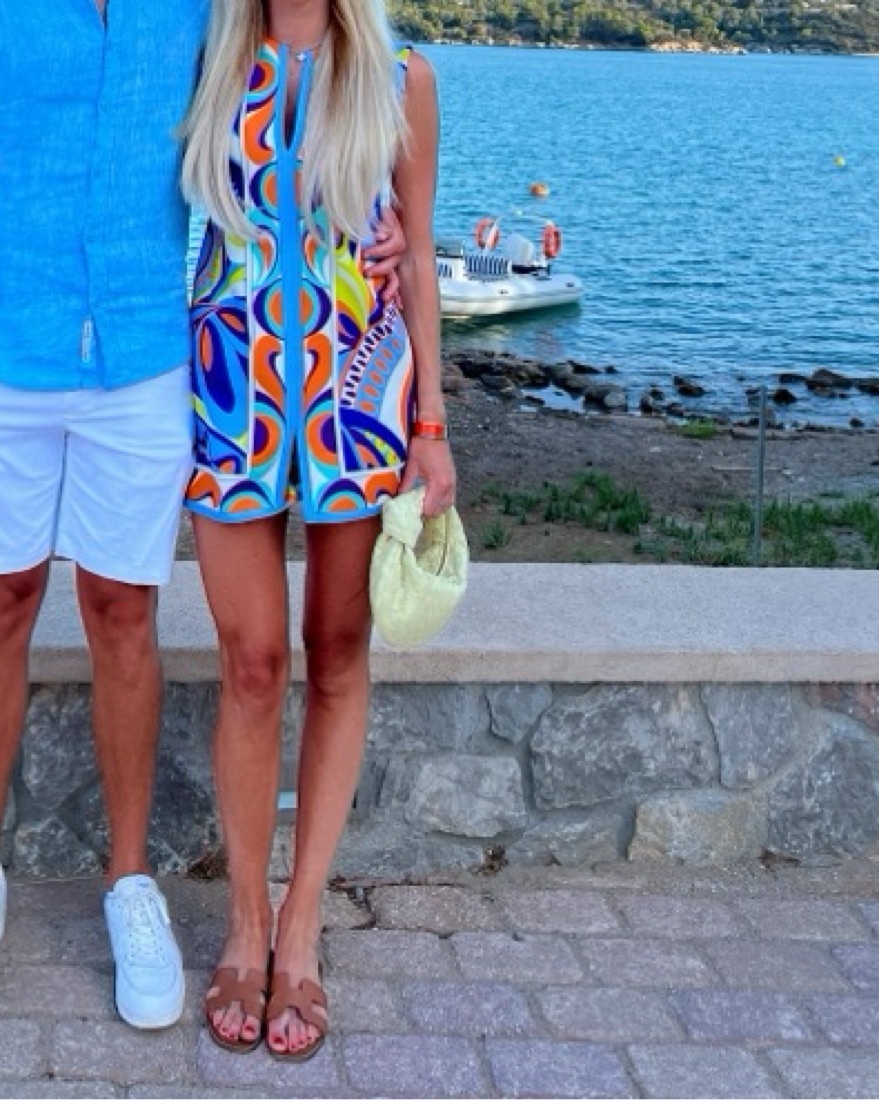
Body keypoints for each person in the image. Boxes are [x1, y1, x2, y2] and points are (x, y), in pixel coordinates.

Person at [0, 0, 403, 1032]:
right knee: (5, 602)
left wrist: (389, 221)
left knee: (122, 610)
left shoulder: (200, 13)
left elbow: (338, 105)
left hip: (145, 355)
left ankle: (133, 881)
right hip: (18, 342)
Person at [180, 0, 454, 1060]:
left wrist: (431, 426)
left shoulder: (399, 78)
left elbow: (416, 253)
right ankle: (243, 924)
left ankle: (301, 928)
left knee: (337, 653)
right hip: (229, 400)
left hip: (358, 401)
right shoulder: (205, 55)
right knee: (252, 663)